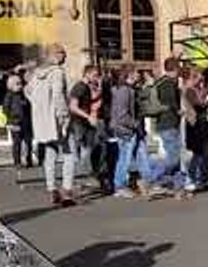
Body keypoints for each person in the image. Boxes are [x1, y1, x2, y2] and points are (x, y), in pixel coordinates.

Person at [26, 43, 76, 206]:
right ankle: (67, 191)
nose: (65, 56)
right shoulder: (57, 72)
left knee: (50, 153)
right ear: (54, 54)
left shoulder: (36, 74)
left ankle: (52, 189)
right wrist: (64, 115)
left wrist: (40, 108)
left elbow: (28, 91)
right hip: (57, 120)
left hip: (44, 120)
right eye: (62, 53)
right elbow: (58, 96)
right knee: (69, 154)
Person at [110, 64, 153, 198]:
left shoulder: (130, 89)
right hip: (127, 130)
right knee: (125, 158)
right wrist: (134, 124)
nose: (138, 75)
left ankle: (148, 183)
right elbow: (122, 115)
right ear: (129, 74)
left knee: (142, 155)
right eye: (136, 73)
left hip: (134, 129)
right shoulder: (123, 90)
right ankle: (120, 186)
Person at [146, 57, 185, 192]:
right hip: (168, 123)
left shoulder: (160, 82)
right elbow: (172, 104)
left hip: (165, 123)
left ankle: (179, 186)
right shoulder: (168, 83)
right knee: (173, 157)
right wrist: (180, 111)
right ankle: (151, 177)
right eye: (178, 68)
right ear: (175, 69)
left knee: (176, 155)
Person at [67, 64, 101, 189]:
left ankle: (83, 178)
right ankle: (80, 179)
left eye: (97, 76)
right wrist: (88, 117)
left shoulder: (86, 87)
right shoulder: (79, 87)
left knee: (87, 151)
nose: (96, 78)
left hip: (85, 124)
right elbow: (73, 107)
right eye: (95, 75)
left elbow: (88, 102)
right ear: (87, 74)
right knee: (82, 152)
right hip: (78, 124)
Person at [182, 67, 208, 193]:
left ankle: (204, 179)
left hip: (202, 125)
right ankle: (191, 179)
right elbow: (198, 106)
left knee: (206, 153)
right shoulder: (189, 91)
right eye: (196, 77)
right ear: (189, 78)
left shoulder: (195, 89)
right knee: (198, 154)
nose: (199, 79)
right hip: (194, 126)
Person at [2, 72, 34, 168]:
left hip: (26, 122)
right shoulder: (9, 96)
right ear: (11, 86)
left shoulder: (23, 95)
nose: (20, 86)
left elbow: (28, 107)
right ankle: (17, 162)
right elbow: (5, 109)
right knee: (17, 143)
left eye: (20, 83)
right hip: (15, 122)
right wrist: (8, 122)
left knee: (28, 142)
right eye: (17, 84)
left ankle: (29, 160)